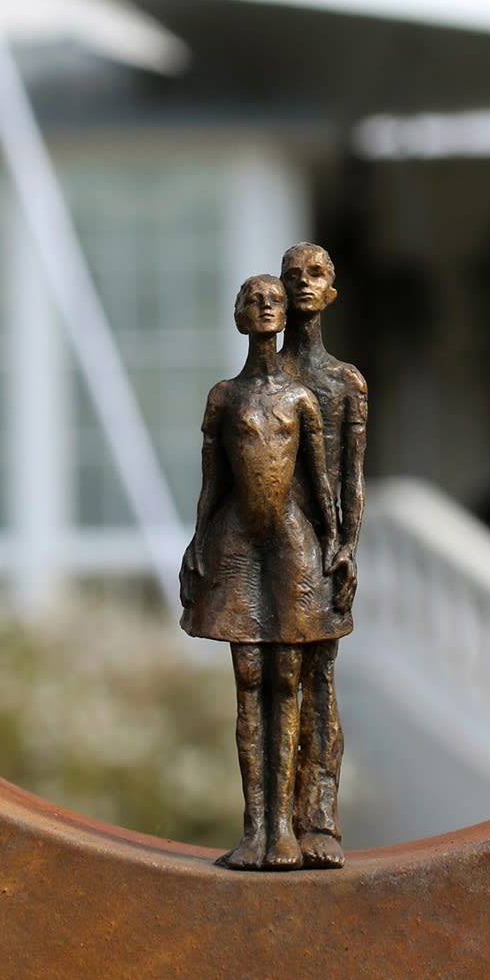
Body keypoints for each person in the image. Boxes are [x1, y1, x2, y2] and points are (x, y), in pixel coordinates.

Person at [179, 274, 342, 870]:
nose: (268, 305)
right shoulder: (224, 398)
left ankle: (288, 833)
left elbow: (319, 483)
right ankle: (259, 827)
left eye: (275, 300)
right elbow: (213, 483)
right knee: (248, 678)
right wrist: (197, 541)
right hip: (238, 543)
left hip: (291, 544)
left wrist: (337, 545)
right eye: (255, 299)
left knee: (288, 677)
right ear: (239, 316)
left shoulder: (300, 399)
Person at [279, 242, 367, 869]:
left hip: (321, 544)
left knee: (319, 679)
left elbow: (351, 475)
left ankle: (319, 817)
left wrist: (346, 546)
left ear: (331, 292)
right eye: (294, 276)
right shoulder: (263, 381)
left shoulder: (344, 382)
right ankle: (273, 822)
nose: (304, 284)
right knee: (269, 680)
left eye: (316, 275)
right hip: (266, 547)